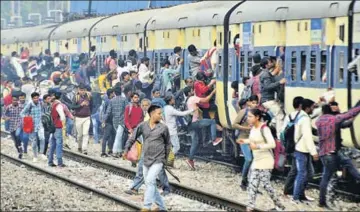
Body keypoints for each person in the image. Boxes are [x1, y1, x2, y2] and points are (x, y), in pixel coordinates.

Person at [123, 104, 171, 211]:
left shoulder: (163, 128)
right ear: (152, 114)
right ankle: (162, 208)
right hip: (146, 159)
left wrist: (165, 159)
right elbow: (132, 138)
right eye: (159, 113)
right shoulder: (142, 126)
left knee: (149, 180)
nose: (161, 115)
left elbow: (168, 144)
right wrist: (126, 150)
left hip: (158, 160)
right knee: (151, 183)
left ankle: (146, 207)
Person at [237, 109, 285, 211]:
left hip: (266, 160)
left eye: (250, 116)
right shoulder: (253, 128)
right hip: (257, 160)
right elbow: (253, 140)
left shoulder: (264, 128)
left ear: (257, 117)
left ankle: (279, 205)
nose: (247, 118)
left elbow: (272, 144)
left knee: (266, 185)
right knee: (252, 184)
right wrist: (244, 141)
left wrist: (257, 146)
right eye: (248, 116)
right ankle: (250, 207)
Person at [316, 102, 360, 209]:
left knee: (347, 163)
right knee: (329, 177)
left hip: (326, 152)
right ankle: (324, 202)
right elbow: (349, 114)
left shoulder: (319, 120)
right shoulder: (334, 119)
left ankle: (358, 178)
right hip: (330, 154)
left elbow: (344, 122)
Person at [283, 96, 314, 201]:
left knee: (296, 170)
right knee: (300, 172)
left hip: (292, 146)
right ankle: (295, 194)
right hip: (299, 148)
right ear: (302, 106)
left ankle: (292, 191)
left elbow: (283, 131)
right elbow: (307, 135)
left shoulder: (291, 115)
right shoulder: (303, 117)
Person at [183, 86, 222, 170]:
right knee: (211, 121)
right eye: (192, 90)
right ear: (190, 92)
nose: (193, 91)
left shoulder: (188, 100)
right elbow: (206, 100)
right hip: (195, 123)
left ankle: (190, 159)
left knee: (195, 142)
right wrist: (213, 92)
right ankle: (214, 139)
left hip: (191, 124)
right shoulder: (192, 98)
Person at [292, 99, 319, 204]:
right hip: (301, 150)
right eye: (312, 107)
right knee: (302, 174)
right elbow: (307, 137)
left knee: (309, 173)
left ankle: (301, 195)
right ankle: (296, 197)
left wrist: (320, 102)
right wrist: (314, 152)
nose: (313, 109)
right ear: (307, 108)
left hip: (304, 149)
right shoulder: (305, 119)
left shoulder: (302, 115)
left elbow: (316, 112)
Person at [232, 95, 259, 191]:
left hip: (254, 139)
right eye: (253, 102)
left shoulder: (258, 113)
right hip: (243, 138)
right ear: (248, 102)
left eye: (256, 103)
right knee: (248, 159)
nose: (254, 105)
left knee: (255, 161)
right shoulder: (244, 112)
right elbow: (234, 124)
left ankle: (251, 183)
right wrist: (246, 128)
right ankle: (243, 180)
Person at [260, 57, 286, 138]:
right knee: (280, 115)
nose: (271, 63)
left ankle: (271, 127)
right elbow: (268, 86)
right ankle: (279, 136)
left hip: (267, 99)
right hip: (268, 100)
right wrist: (280, 82)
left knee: (276, 115)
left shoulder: (266, 73)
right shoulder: (265, 74)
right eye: (270, 62)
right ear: (266, 65)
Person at [20, 92, 47, 162]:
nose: (36, 99)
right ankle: (35, 156)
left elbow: (43, 112)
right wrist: (27, 118)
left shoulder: (40, 103)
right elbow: (22, 113)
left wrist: (43, 117)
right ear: (32, 98)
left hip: (40, 124)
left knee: (42, 138)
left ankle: (41, 153)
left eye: (37, 98)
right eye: (35, 98)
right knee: (34, 141)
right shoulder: (30, 104)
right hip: (32, 126)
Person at [103, 86, 127, 157]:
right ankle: (115, 151)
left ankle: (119, 151)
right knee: (118, 136)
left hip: (114, 121)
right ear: (121, 91)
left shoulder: (112, 100)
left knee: (118, 135)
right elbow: (128, 109)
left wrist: (104, 120)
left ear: (115, 93)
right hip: (122, 120)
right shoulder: (124, 99)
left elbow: (108, 111)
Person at [71, 83, 92, 155]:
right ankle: (79, 147)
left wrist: (90, 110)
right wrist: (80, 105)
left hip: (87, 117)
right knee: (79, 135)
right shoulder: (76, 97)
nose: (82, 92)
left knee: (85, 133)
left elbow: (93, 105)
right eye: (81, 90)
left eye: (84, 90)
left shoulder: (89, 96)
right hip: (78, 118)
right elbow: (72, 107)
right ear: (78, 90)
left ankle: (84, 149)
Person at [48, 91, 66, 167]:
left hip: (52, 126)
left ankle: (50, 161)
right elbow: (62, 117)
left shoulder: (52, 104)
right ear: (61, 97)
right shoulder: (59, 105)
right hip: (58, 127)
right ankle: (59, 162)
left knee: (52, 144)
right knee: (59, 144)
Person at [100, 88, 116, 157]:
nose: (114, 94)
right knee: (106, 136)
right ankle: (103, 152)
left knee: (110, 136)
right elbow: (104, 112)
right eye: (113, 93)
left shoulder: (105, 101)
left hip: (109, 120)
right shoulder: (108, 101)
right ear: (111, 94)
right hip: (108, 121)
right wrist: (103, 121)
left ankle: (109, 150)